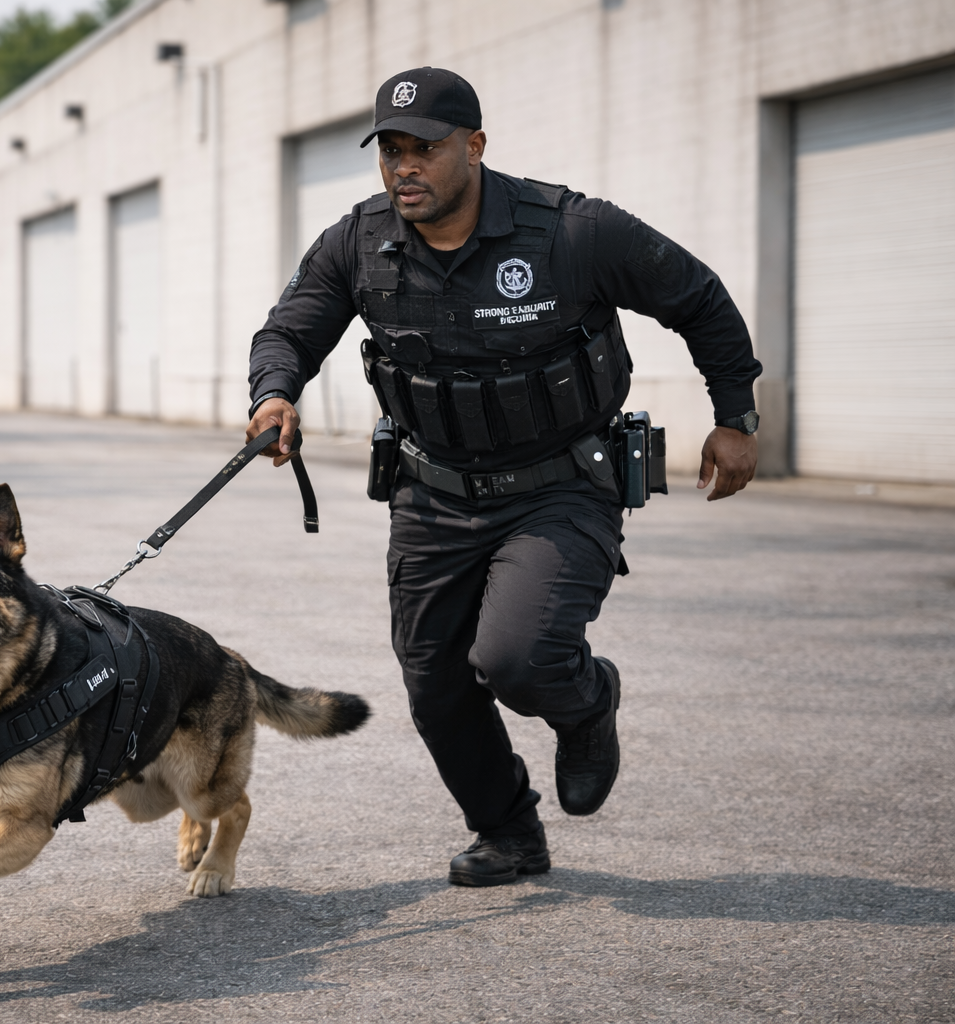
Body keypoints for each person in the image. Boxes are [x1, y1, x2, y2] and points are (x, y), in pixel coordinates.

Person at [246, 67, 761, 887]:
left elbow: (696, 295)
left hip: (560, 484)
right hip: (433, 492)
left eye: (425, 149)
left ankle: (587, 705)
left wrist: (735, 417)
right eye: (390, 152)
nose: (404, 168)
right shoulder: (359, 241)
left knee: (518, 657)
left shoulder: (572, 231)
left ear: (475, 146)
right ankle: (509, 833)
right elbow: (290, 328)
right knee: (434, 682)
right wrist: (274, 395)